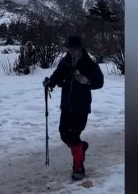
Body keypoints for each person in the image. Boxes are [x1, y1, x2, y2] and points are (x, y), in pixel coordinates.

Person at [43, 36, 104, 180]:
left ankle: (78, 168)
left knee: (73, 135)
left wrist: (87, 81)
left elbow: (100, 82)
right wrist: (49, 83)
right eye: (70, 49)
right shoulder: (65, 62)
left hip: (81, 106)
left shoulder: (89, 63)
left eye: (75, 49)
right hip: (66, 105)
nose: (72, 52)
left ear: (80, 48)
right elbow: (57, 76)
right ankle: (81, 148)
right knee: (64, 134)